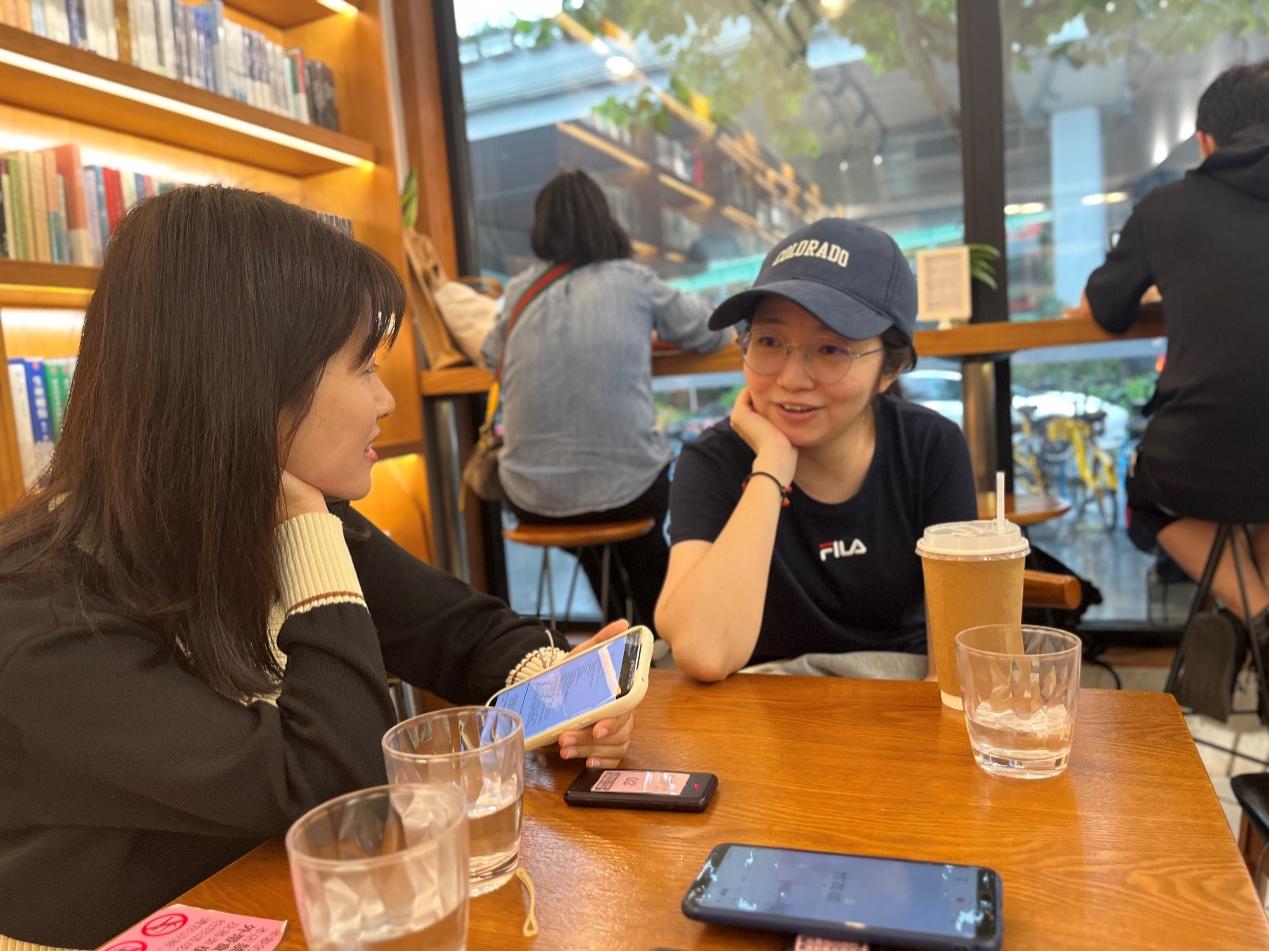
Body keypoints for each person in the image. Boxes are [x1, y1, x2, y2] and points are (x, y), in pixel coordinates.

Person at [0, 186, 634, 950]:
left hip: (273, 913)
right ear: (252, 384)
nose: (386, 399)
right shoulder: (42, 617)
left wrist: (566, 696)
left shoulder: (266, 514)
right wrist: (306, 525)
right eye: (363, 366)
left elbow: (461, 632)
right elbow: (333, 782)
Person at [656, 218, 977, 682]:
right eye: (769, 342)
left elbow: (957, 661)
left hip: (898, 696)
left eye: (830, 350)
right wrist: (770, 468)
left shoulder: (930, 448)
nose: (791, 379)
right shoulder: (714, 461)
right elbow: (703, 651)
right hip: (760, 705)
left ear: (890, 368)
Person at [482, 168, 731, 627]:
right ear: (605, 218)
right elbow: (712, 330)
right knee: (647, 535)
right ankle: (660, 632)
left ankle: (624, 630)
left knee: (599, 547)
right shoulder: (633, 281)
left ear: (541, 226)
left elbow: (488, 354)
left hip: (530, 497)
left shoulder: (519, 291)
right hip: (626, 496)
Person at [1075, 60, 1269, 633]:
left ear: (1205, 142)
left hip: (1201, 453)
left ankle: (1260, 620)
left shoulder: (1166, 208)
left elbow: (1106, 308)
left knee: (1148, 495)